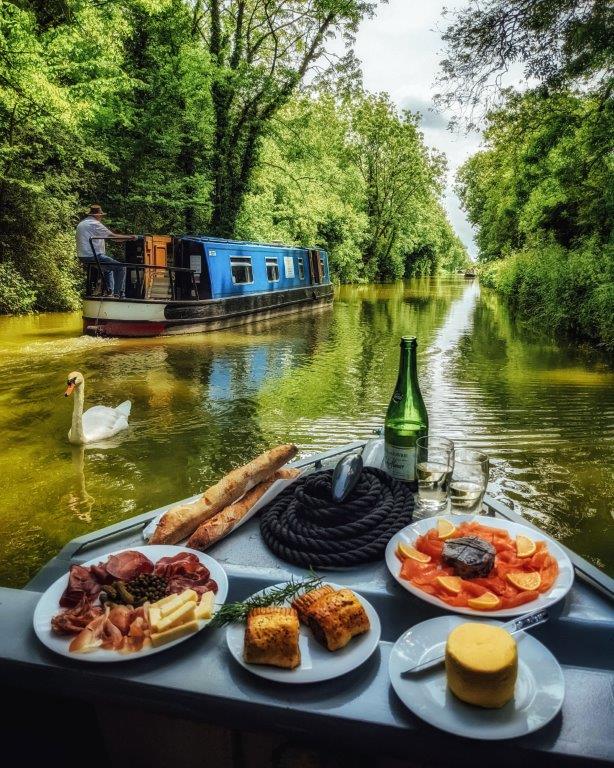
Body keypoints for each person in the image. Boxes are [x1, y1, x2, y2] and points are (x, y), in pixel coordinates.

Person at [76, 204, 135, 298]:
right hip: (92, 255)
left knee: (108, 269)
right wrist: (131, 238)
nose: (101, 218)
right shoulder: (94, 223)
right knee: (121, 268)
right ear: (98, 215)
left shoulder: (83, 222)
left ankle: (110, 292)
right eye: (101, 216)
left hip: (83, 255)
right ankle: (118, 294)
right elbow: (114, 237)